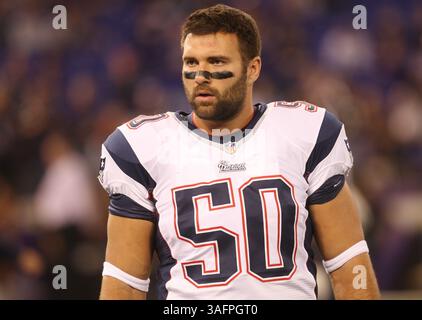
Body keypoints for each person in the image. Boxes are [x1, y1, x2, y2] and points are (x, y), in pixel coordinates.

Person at [98, 4, 380, 300]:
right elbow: (125, 286)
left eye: (216, 61)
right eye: (191, 62)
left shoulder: (305, 133)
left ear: (252, 68)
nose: (200, 75)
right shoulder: (143, 147)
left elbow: (350, 269)